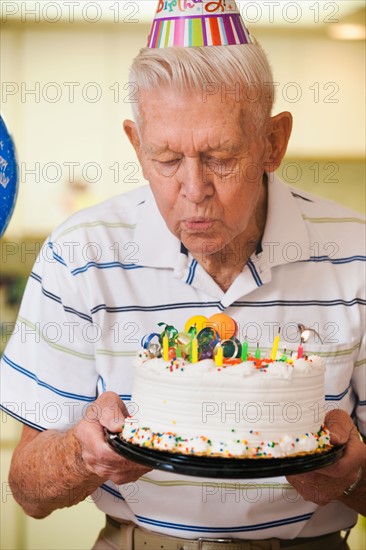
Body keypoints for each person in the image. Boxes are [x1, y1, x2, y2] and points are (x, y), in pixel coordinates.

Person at [1, 2, 365, 549]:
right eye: (167, 159)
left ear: (273, 142)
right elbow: (28, 491)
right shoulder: (79, 255)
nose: (193, 190)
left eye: (219, 156)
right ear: (135, 145)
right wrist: (83, 455)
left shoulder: (358, 253)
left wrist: (351, 475)